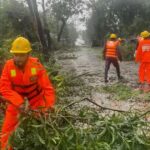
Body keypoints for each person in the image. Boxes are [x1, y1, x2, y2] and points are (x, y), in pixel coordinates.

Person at [0, 37, 55, 150]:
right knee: (6, 133)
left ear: (28, 54)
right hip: (16, 104)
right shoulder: (8, 66)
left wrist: (48, 107)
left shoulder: (36, 66)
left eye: (21, 55)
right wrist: (19, 103)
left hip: (37, 102)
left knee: (43, 130)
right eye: (15, 54)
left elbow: (48, 88)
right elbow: (4, 88)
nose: (18, 58)